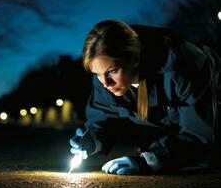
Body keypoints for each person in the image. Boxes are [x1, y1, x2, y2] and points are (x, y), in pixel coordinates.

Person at [69, 20, 220, 175]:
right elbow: (103, 123)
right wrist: (94, 141)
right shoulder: (104, 83)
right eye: (97, 74)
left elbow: (199, 135)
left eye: (112, 71)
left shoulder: (183, 68)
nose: (105, 83)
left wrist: (153, 159)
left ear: (134, 59)